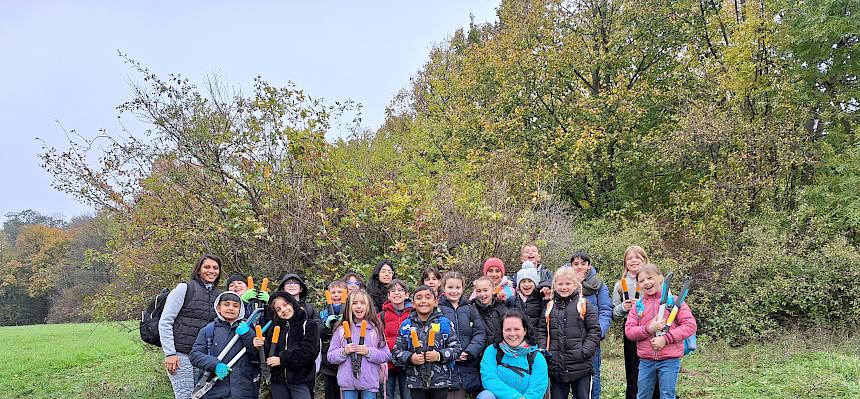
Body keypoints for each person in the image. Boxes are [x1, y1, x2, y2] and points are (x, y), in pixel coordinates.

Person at [625, 264, 697, 399]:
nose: (646, 282)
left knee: (667, 395)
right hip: (646, 361)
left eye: (649, 278)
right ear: (638, 285)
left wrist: (666, 339)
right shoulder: (638, 306)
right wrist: (648, 329)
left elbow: (690, 325)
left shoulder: (674, 301)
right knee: (643, 395)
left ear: (660, 279)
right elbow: (629, 331)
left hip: (670, 359)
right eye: (641, 280)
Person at [159, 254, 224, 399]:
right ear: (198, 270)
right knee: (185, 396)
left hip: (204, 357)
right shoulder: (185, 289)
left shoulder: (219, 296)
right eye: (207, 267)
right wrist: (170, 353)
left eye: (215, 268)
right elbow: (165, 321)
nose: (211, 271)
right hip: (181, 355)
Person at [538, 267, 601, 399]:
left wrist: (584, 352)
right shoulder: (549, 307)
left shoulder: (584, 304)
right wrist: (545, 350)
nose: (564, 287)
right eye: (560, 284)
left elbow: (594, 331)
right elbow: (542, 331)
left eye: (568, 284)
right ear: (554, 285)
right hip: (556, 367)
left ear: (575, 285)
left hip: (581, 366)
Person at [392, 285, 462, 399]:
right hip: (416, 382)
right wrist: (410, 358)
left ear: (435, 302)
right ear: (413, 303)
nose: (423, 301)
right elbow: (396, 351)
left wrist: (439, 355)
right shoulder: (406, 326)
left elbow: (456, 348)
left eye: (428, 297)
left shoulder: (445, 324)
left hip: (440, 382)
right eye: (419, 298)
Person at [189, 292, 259, 399]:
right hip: (215, 390)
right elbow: (195, 355)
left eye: (235, 306)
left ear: (240, 310)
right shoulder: (208, 330)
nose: (231, 308)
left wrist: (247, 335)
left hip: (244, 390)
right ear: (218, 307)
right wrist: (215, 364)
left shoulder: (248, 329)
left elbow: (256, 356)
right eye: (226, 304)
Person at [255, 291, 320, 399]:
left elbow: (309, 352)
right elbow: (270, 353)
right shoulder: (275, 329)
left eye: (285, 305)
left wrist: (283, 359)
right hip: (278, 382)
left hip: (301, 380)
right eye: (278, 309)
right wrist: (259, 346)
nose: (283, 310)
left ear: (292, 303)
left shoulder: (309, 325)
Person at [328, 289, 391, 399]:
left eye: (362, 303)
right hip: (347, 383)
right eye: (354, 303)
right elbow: (330, 356)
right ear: (349, 307)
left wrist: (369, 352)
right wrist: (344, 352)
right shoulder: (341, 329)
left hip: (370, 383)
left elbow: (386, 355)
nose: (359, 306)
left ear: (368, 306)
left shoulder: (375, 329)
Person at [612, 245, 656, 399]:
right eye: (630, 258)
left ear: (645, 259)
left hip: (654, 328)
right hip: (631, 330)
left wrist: (642, 305)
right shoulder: (620, 285)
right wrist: (623, 307)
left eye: (638, 257)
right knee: (633, 368)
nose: (634, 260)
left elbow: (665, 302)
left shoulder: (655, 280)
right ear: (625, 263)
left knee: (655, 365)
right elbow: (614, 313)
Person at [476, 310, 548, 399]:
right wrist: (515, 397)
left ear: (525, 331)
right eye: (508, 330)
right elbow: (489, 379)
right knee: (486, 396)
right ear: (502, 331)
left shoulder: (537, 357)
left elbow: (538, 387)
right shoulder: (492, 351)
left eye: (517, 329)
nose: (512, 334)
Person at [570, 252, 613, 399]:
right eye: (576, 264)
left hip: (591, 338)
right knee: (573, 375)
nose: (579, 267)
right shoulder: (566, 283)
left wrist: (598, 333)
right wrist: (576, 284)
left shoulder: (598, 284)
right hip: (570, 338)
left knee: (593, 374)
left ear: (589, 265)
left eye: (583, 263)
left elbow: (606, 310)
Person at [438, 272, 486, 399]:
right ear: (444, 288)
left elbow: (479, 333)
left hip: (466, 365)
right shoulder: (437, 309)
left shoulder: (470, 309)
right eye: (450, 287)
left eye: (458, 287)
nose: (454, 291)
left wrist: (469, 352)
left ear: (463, 288)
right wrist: (450, 354)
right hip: (444, 366)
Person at [379, 280, 413, 399]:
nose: (396, 293)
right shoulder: (382, 315)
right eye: (393, 291)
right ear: (388, 295)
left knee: (407, 396)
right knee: (387, 395)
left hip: (408, 364)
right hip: (388, 364)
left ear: (407, 294)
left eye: (400, 290)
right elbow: (378, 338)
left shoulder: (413, 314)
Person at [320, 280, 348, 399]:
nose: (336, 295)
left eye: (340, 292)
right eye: (333, 292)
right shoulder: (323, 314)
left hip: (347, 362)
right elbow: (319, 335)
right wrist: (326, 327)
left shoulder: (351, 312)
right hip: (329, 364)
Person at [471, 277, 509, 347]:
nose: (482, 294)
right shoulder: (472, 309)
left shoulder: (502, 306)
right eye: (479, 291)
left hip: (501, 349)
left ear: (493, 290)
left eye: (485, 290)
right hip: (481, 352)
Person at [512, 264, 547, 330]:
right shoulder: (513, 300)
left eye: (530, 281)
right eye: (523, 281)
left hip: (536, 337)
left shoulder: (541, 299)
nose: (527, 284)